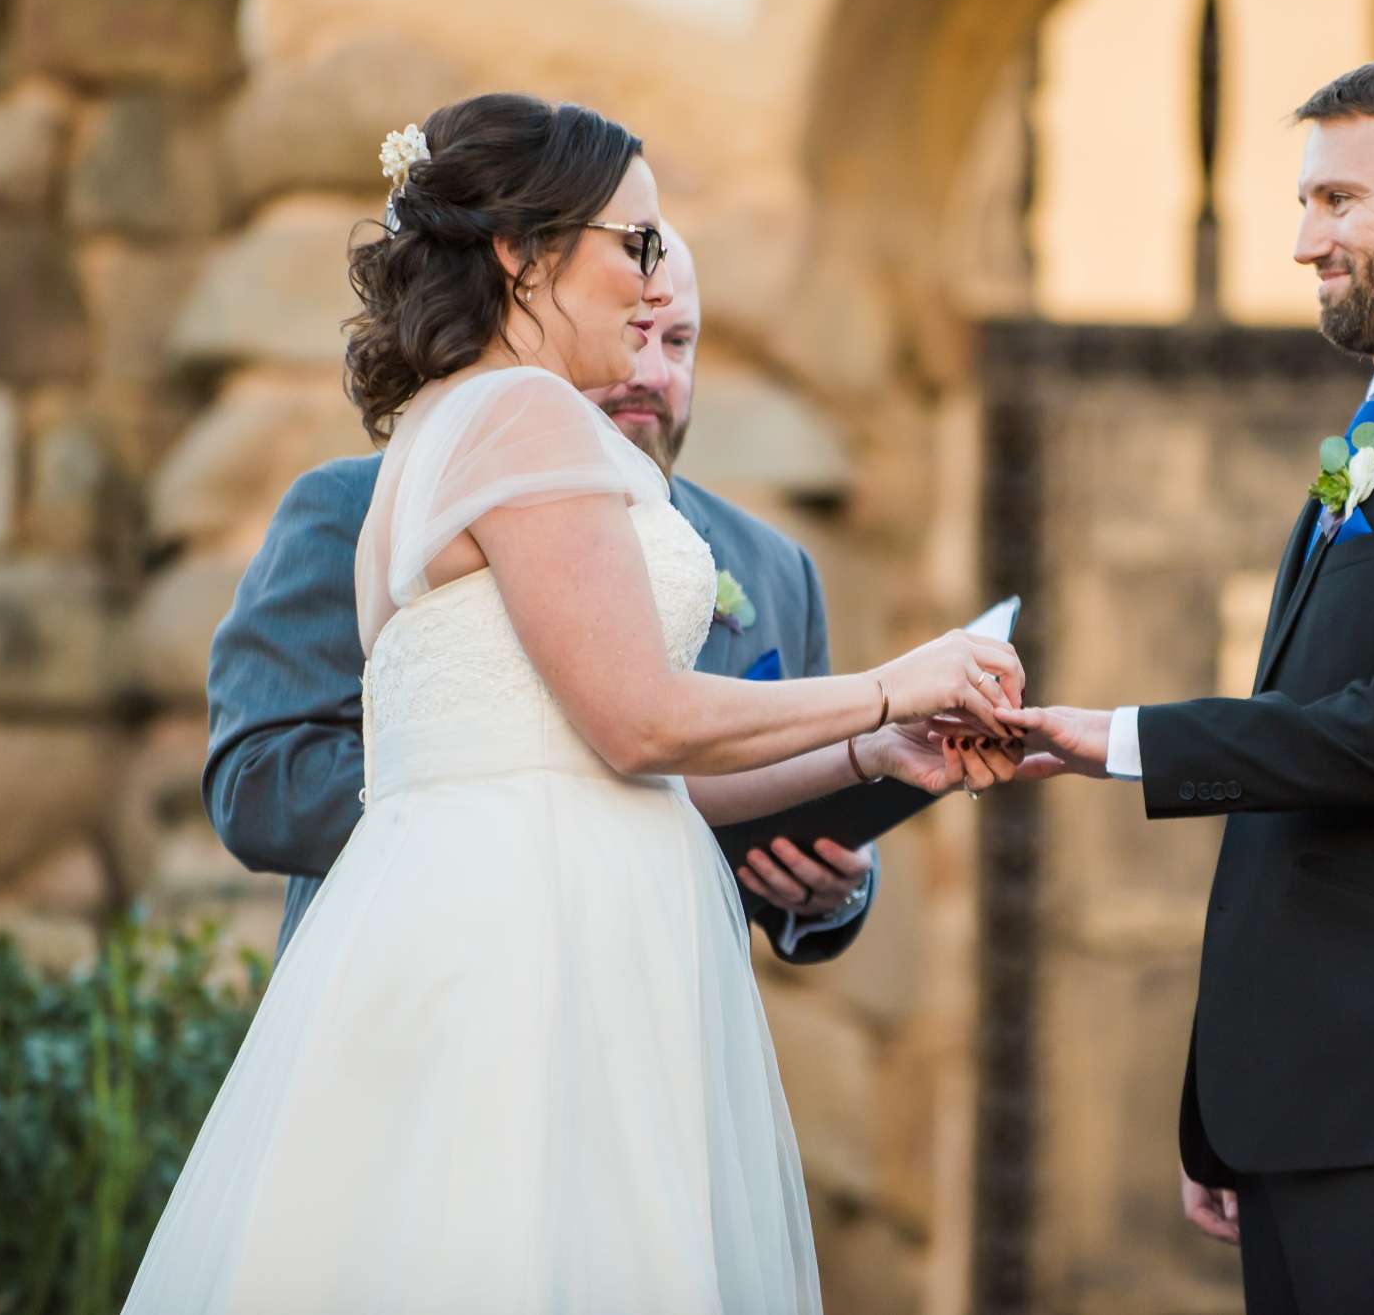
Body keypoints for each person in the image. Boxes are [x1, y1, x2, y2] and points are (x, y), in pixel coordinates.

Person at [124, 94, 1023, 1314]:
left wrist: (881, 748)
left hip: (547, 944)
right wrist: (886, 685)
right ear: (521, 253)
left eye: (671, 292)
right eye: (635, 245)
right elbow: (640, 726)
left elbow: (637, 765)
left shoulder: (455, 419)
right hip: (527, 953)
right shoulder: (524, 416)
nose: (651, 294)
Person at [1008, 55, 1374, 1314]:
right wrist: (1230, 1110)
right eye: (1304, 205)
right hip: (1314, 1109)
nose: (1303, 242)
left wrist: (1122, 738)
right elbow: (1301, 813)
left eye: (1337, 201)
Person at [201, 229, 945, 964]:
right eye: (638, 331)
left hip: (657, 1007)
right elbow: (258, 782)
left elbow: (791, 780)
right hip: (430, 971)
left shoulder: (773, 565)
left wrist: (838, 887)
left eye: (681, 343)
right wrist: (494, 796)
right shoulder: (360, 509)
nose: (652, 372)